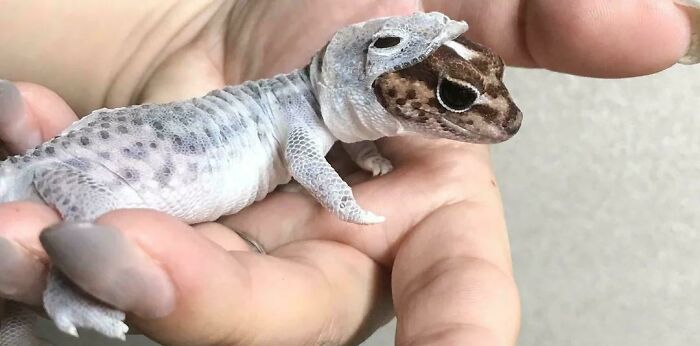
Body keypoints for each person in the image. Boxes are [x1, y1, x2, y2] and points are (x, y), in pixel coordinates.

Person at [0, 1, 695, 345]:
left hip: (92, 150)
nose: (495, 120)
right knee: (78, 232)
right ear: (372, 82)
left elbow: (338, 137)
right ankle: (65, 287)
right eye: (454, 100)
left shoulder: (321, 109)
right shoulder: (301, 121)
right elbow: (306, 161)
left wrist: (365, 158)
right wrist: (349, 203)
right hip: (74, 170)